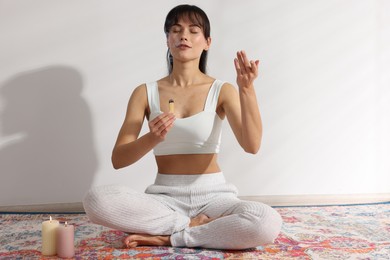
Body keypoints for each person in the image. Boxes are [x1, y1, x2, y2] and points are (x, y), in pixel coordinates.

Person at [83, 4, 282, 250]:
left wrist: (246, 89)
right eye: (175, 30)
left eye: (193, 30)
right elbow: (118, 159)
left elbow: (252, 146)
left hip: (215, 197)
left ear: (207, 41)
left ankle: (172, 237)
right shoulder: (145, 93)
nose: (184, 36)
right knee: (95, 200)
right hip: (165, 199)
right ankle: (191, 224)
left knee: (266, 222)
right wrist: (152, 138)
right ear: (167, 40)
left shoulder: (222, 90)